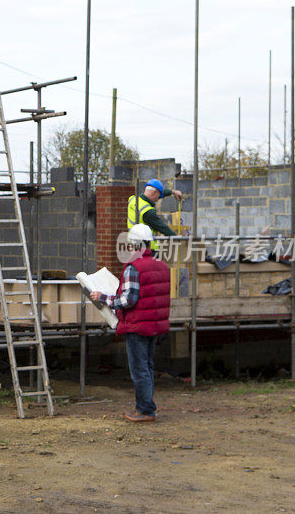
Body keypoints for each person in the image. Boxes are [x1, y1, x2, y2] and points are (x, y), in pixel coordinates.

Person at [90, 224, 170, 423]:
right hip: (154, 325)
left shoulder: (133, 266)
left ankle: (145, 410)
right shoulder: (161, 264)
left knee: (139, 369)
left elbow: (128, 300)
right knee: (148, 367)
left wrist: (104, 298)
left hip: (137, 326)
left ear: (132, 244)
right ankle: (147, 407)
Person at [126, 179, 183, 251]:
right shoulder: (147, 211)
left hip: (133, 245)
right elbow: (161, 227)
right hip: (148, 248)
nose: (157, 199)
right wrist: (176, 237)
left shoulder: (133, 199)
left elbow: (156, 193)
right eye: (158, 196)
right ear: (155, 193)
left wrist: (172, 192)